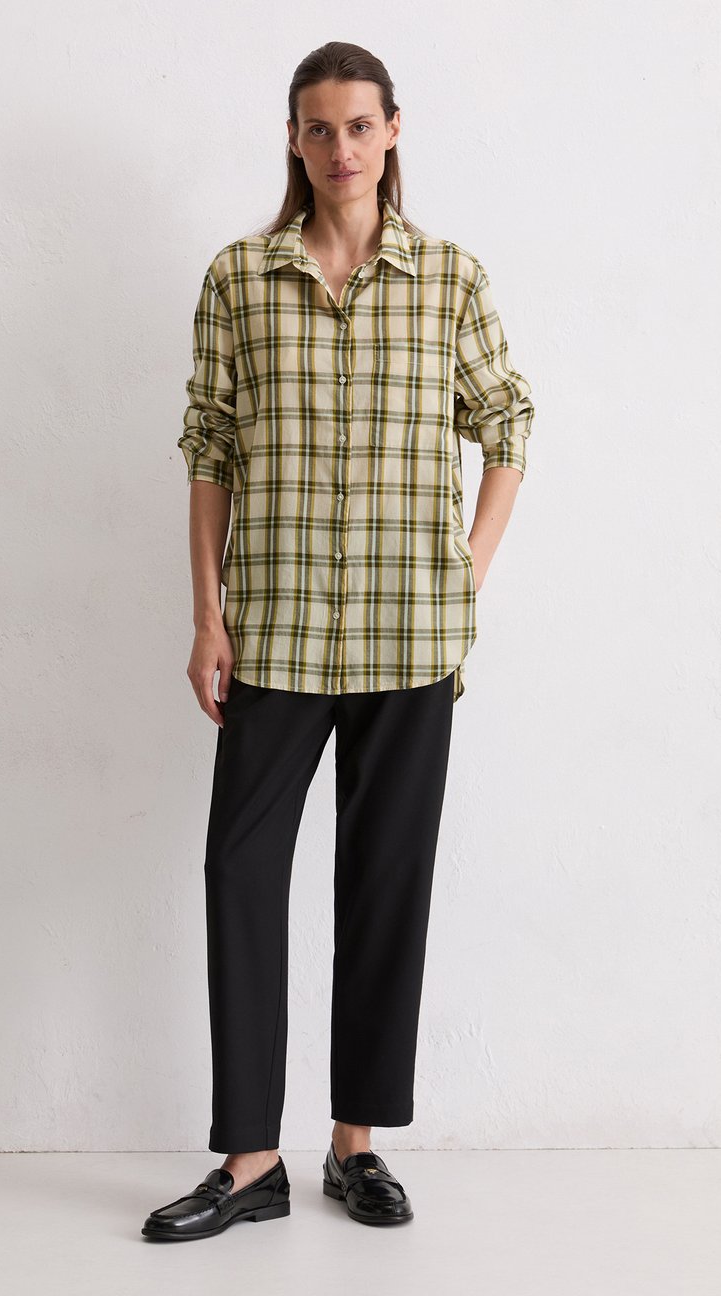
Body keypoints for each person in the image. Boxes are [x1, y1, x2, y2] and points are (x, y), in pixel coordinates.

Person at [142, 40, 535, 1242]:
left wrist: (467, 569)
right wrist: (207, 614)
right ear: (294, 140)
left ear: (393, 131)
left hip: (411, 634)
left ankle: (355, 1145)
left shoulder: (448, 278)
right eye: (319, 128)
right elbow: (209, 445)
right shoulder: (240, 277)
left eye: (360, 126)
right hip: (274, 630)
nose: (341, 148)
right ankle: (249, 1160)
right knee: (240, 870)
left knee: (384, 880)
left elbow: (508, 420)